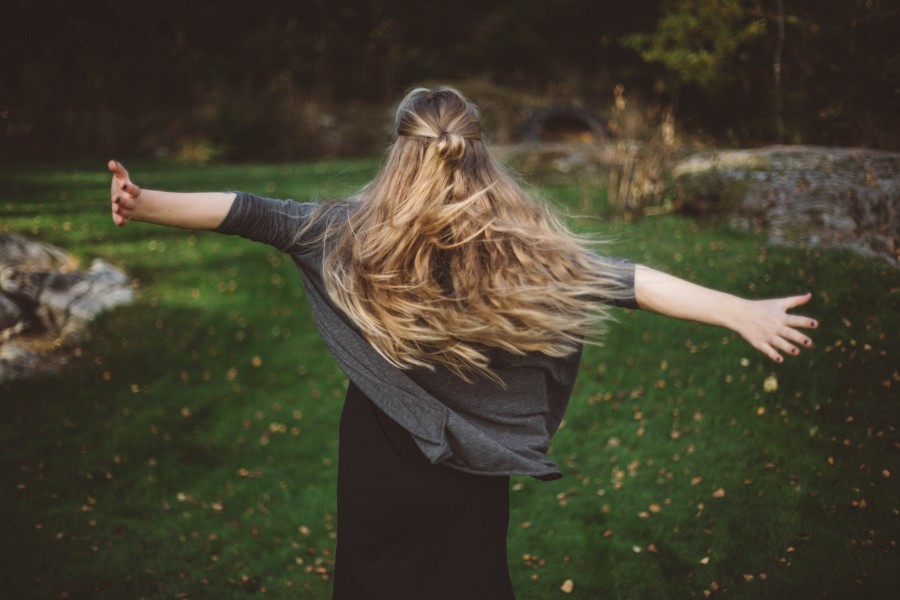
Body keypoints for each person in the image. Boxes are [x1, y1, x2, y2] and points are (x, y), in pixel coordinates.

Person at [107, 87, 817, 600]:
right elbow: (628, 280)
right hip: (469, 473)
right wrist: (737, 310)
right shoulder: (518, 249)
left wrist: (145, 204)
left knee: (368, 582)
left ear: (398, 151)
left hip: (378, 462)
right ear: (480, 154)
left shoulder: (348, 232)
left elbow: (251, 213)